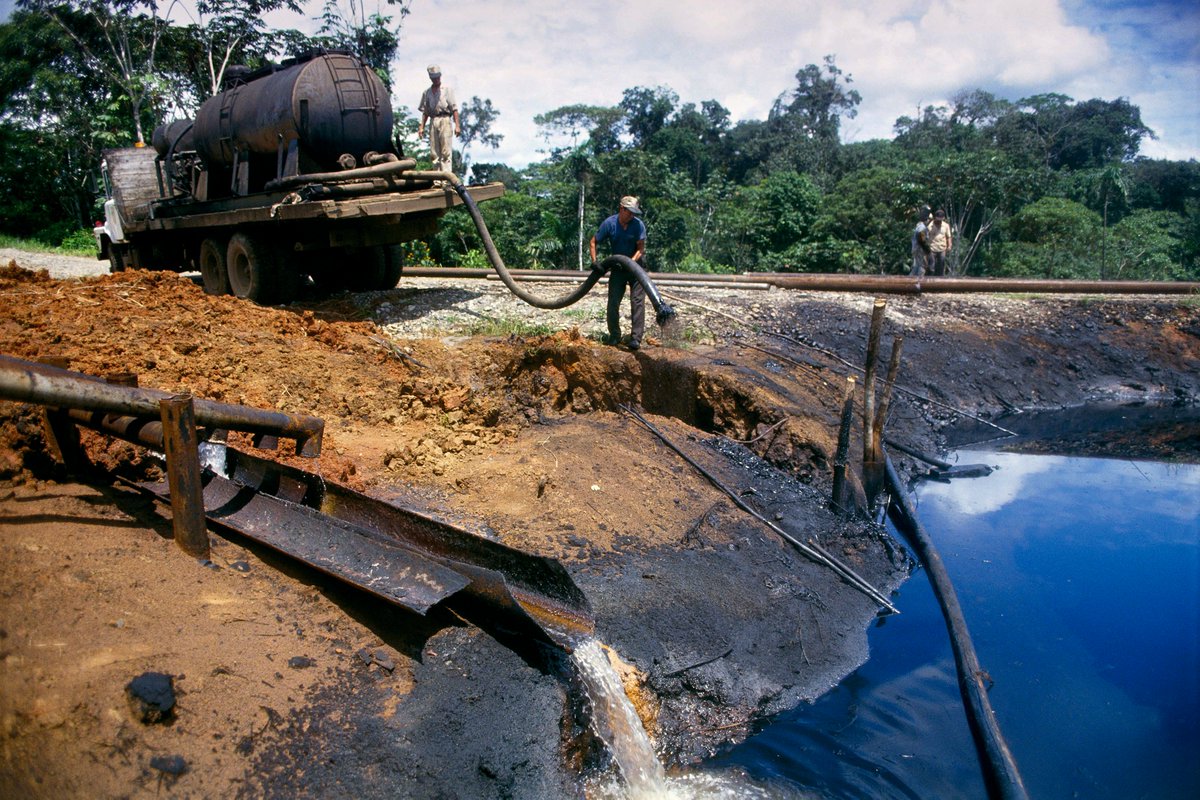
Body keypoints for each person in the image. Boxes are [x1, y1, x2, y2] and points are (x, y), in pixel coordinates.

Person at [590, 195, 648, 350]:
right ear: (621, 209)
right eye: (629, 212)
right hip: (617, 267)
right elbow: (593, 241)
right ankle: (614, 335)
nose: (632, 215)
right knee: (613, 301)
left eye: (634, 213)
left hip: (636, 268)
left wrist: (631, 263)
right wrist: (595, 262)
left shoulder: (638, 225)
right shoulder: (610, 224)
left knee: (637, 302)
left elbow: (641, 249)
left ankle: (635, 339)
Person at [417, 65, 460, 175]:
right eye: (434, 77)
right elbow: (425, 111)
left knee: (445, 151)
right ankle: (437, 179)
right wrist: (421, 126)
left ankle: (446, 179)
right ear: (430, 78)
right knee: (434, 152)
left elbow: (454, 109)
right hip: (433, 120)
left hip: (445, 119)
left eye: (437, 77)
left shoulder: (447, 90)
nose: (436, 79)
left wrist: (457, 126)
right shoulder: (427, 93)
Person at [927, 209, 953, 276]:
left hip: (942, 249)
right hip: (932, 248)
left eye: (941, 220)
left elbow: (948, 236)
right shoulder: (930, 226)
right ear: (935, 218)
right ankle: (930, 282)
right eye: (938, 220)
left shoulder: (946, 226)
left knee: (941, 266)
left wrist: (949, 245)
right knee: (931, 267)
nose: (939, 222)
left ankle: (940, 283)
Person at [910, 206, 932, 277]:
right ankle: (919, 283)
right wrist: (927, 250)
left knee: (917, 266)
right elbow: (922, 240)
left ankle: (910, 281)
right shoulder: (922, 228)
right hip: (920, 250)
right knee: (922, 266)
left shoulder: (919, 226)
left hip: (917, 249)